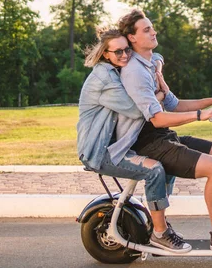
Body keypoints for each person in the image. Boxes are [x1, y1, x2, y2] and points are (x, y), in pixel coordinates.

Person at [116, 9, 212, 258]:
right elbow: (157, 118)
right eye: (146, 29)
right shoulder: (135, 72)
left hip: (164, 137)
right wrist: (201, 115)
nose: (153, 32)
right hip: (150, 143)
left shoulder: (149, 66)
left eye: (152, 27)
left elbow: (175, 104)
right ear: (132, 38)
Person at [77, 28, 191, 253]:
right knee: (155, 170)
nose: (124, 55)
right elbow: (136, 110)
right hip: (99, 152)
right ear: (105, 54)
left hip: (118, 146)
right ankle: (160, 233)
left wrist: (156, 69)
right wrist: (157, 94)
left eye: (126, 49)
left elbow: (155, 56)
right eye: (117, 51)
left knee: (168, 160)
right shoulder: (104, 79)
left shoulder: (119, 67)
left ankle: (160, 221)